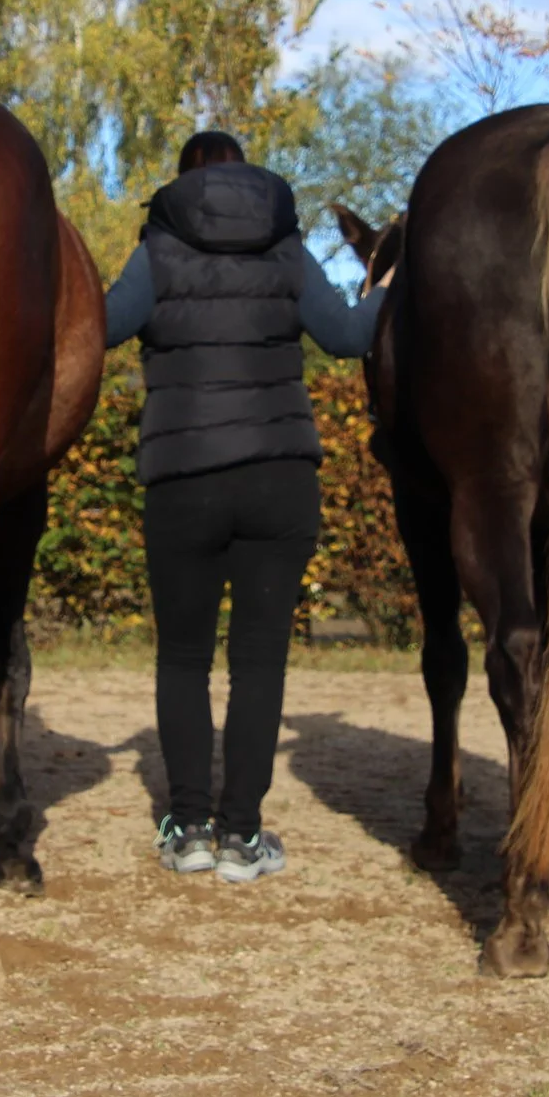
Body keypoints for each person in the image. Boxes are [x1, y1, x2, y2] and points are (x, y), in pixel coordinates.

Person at [102, 129, 388, 884]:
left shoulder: (158, 248)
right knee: (259, 664)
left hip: (182, 480)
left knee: (183, 658)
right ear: (250, 177)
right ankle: (243, 837)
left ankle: (189, 829)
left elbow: (99, 327)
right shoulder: (287, 248)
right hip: (279, 480)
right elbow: (350, 336)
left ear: (183, 181)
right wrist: (390, 280)